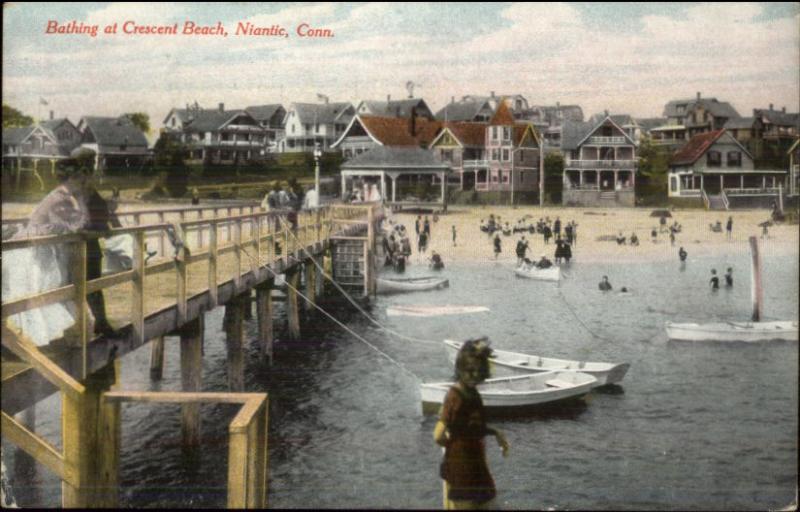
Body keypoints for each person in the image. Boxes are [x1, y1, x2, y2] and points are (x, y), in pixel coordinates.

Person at [2, 161, 90, 346]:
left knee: (47, 290)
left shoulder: (66, 196)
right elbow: (78, 225)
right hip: (34, 250)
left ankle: (40, 338)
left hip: (45, 247)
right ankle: (28, 340)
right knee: (37, 291)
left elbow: (77, 224)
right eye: (81, 181)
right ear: (71, 179)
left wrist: (80, 199)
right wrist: (81, 200)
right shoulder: (60, 198)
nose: (84, 184)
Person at [434, 338, 509, 510]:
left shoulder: (472, 393)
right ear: (460, 369)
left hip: (476, 464)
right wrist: (454, 447)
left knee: (486, 502)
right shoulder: (454, 395)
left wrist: (495, 432)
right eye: (470, 370)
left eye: (479, 371)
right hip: (462, 468)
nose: (475, 375)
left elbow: (473, 427)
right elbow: (437, 435)